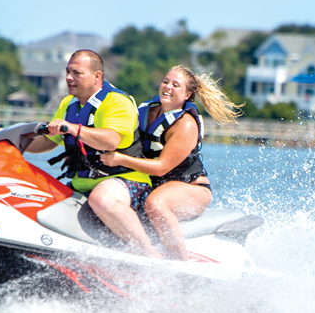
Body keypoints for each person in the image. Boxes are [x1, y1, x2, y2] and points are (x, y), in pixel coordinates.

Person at [100, 65, 240, 260]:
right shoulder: (146, 110)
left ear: (187, 94)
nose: (168, 87)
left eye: (176, 85)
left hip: (190, 188)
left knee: (155, 204)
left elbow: (161, 168)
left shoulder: (185, 125)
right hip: (153, 184)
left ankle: (180, 261)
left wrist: (120, 159)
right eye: (166, 81)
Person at [26, 50, 158, 255]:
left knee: (101, 199)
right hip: (82, 185)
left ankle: (150, 255)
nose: (69, 78)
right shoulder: (68, 104)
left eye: (77, 73)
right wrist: (14, 142)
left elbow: (111, 140)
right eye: (68, 72)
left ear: (97, 76)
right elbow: (47, 142)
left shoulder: (117, 101)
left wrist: (73, 128)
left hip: (127, 182)